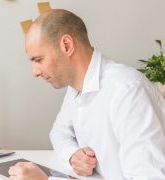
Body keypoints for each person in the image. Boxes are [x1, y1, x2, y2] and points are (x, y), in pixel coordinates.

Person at [9, 9, 165, 179]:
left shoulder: (127, 90)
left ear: (66, 45)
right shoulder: (76, 87)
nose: (35, 72)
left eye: (38, 60)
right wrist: (73, 154)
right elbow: (58, 132)